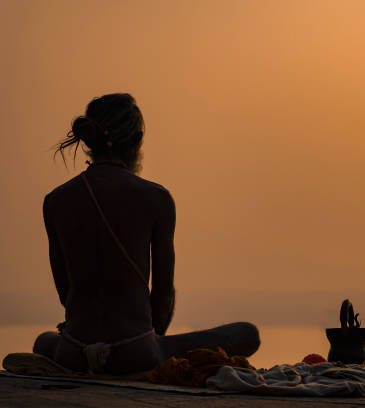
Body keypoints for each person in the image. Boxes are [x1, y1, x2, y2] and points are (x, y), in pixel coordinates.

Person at [33, 93, 260, 375]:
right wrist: (153, 340)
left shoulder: (55, 201)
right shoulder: (156, 198)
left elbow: (65, 292)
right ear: (137, 140)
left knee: (43, 341)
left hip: (74, 351)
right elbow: (163, 294)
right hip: (136, 351)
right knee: (247, 334)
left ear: (88, 138)